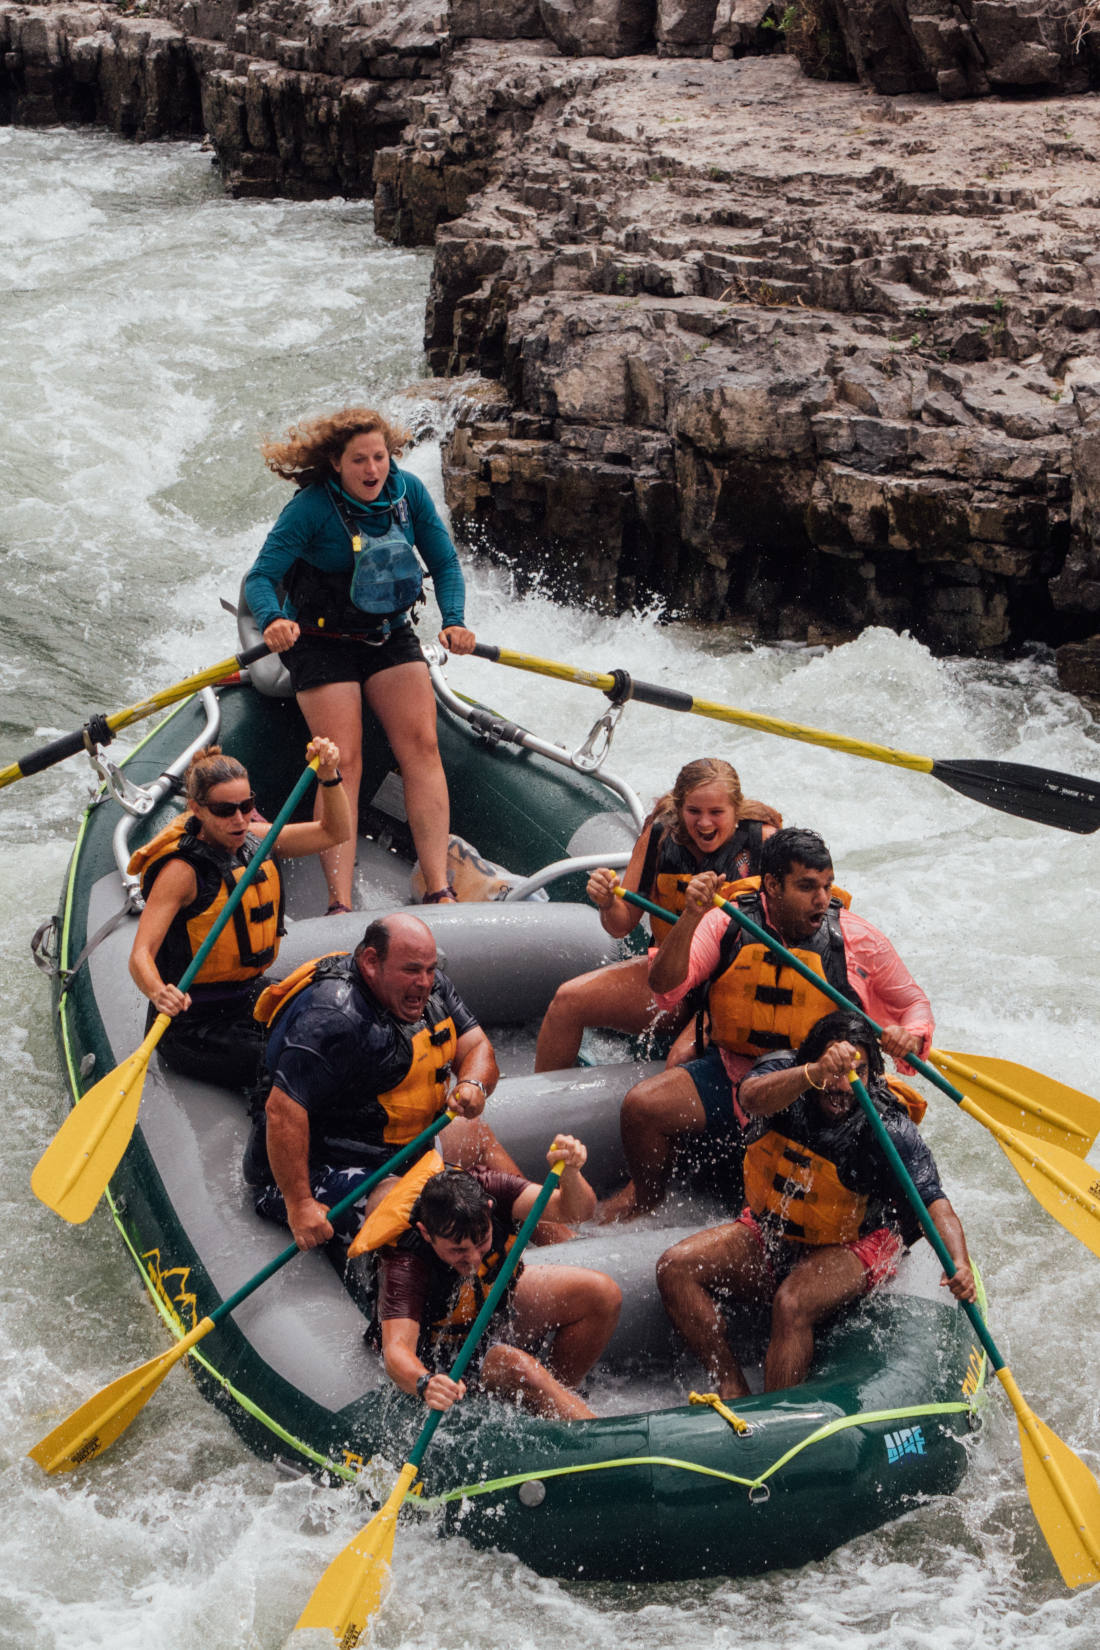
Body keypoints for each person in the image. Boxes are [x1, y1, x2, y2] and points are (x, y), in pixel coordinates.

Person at [599, 826, 933, 1221]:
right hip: (733, 1071)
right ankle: (646, 1199)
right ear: (772, 885)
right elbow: (664, 986)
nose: (822, 898)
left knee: (779, 1186)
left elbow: (913, 1003)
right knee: (642, 1108)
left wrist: (908, 1035)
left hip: (813, 1088)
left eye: (827, 886)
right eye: (807, 887)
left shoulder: (857, 939)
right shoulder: (726, 922)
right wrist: (690, 916)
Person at [656, 1011, 976, 1399]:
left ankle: (775, 1416)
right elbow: (750, 1098)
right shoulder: (785, 1074)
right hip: (774, 1230)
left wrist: (958, 1262)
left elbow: (933, 1201)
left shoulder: (888, 1127)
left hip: (853, 1243)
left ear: (872, 1075)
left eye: (855, 1073)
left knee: (791, 1303)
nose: (842, 1086)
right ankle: (729, 1379)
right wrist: (813, 1072)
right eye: (834, 1071)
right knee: (675, 1268)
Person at [244, 406, 476, 913]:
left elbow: (444, 561)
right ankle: (339, 902)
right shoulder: (310, 508)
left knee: (422, 746)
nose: (372, 471)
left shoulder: (408, 492)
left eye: (380, 458)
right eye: (359, 461)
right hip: (320, 641)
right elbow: (261, 577)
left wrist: (454, 619)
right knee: (342, 761)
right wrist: (271, 620)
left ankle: (438, 888)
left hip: (389, 633)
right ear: (335, 463)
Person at [247, 912, 536, 1252]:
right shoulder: (335, 1017)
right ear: (371, 963)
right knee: (418, 1215)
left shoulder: (432, 988)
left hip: (404, 1149)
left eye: (430, 969)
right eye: (412, 970)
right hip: (324, 1167)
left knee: (477, 1135)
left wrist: (473, 1083)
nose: (425, 982)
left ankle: (562, 1242)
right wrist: (299, 1205)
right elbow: (282, 1109)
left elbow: (476, 1046)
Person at [127, 737, 350, 1093]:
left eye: (247, 806)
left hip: (246, 1001)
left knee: (333, 1031)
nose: (240, 819)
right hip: (192, 1026)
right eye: (225, 811)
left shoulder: (255, 839)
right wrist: (158, 992)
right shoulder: (181, 872)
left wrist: (328, 774)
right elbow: (140, 954)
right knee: (295, 1060)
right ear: (197, 810)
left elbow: (336, 831)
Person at [534, 758, 781, 1072]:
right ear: (680, 809)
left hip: (736, 987)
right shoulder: (660, 837)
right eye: (694, 812)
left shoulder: (764, 842)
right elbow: (621, 925)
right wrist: (608, 902)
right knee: (567, 1001)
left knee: (680, 1061)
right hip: (671, 980)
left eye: (716, 813)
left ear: (735, 810)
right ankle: (550, 1111)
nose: (704, 824)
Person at [371, 1139, 621, 1419]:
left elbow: (576, 1211)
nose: (475, 1259)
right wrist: (424, 1383)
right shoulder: (407, 1261)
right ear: (427, 1234)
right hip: (440, 1351)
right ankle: (586, 1430)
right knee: (519, 1367)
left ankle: (554, 1405)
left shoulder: (491, 1189)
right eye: (458, 1250)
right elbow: (396, 1350)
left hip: (487, 1309)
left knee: (601, 1295)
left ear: (489, 1208)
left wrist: (572, 1173)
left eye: (482, 1243)